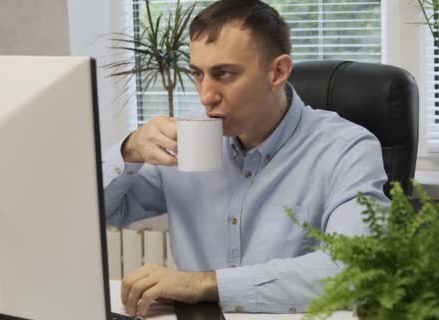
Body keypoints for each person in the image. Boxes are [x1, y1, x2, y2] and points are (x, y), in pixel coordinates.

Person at [102, 0, 389, 317]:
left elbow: (355, 270)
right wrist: (128, 151)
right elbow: (99, 212)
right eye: (197, 74)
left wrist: (204, 284)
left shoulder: (346, 149)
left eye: (223, 74)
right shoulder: (186, 139)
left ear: (278, 71)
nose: (205, 95)